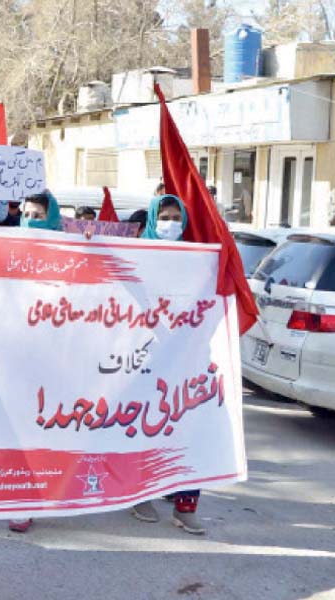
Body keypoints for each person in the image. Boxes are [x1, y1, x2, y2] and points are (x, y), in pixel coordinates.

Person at [129, 194, 204, 535]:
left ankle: (185, 505)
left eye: (177, 217)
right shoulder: (135, 253)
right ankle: (139, 492)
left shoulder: (196, 257)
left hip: (183, 356)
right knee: (141, 423)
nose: (170, 224)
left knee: (189, 425)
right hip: (143, 355)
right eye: (165, 216)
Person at [8, 189, 63, 534]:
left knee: (49, 432)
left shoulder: (68, 249)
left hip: (57, 357)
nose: (31, 219)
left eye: (39, 213)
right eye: (26, 213)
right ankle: (21, 501)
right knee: (19, 432)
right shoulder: (7, 246)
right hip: (16, 355)